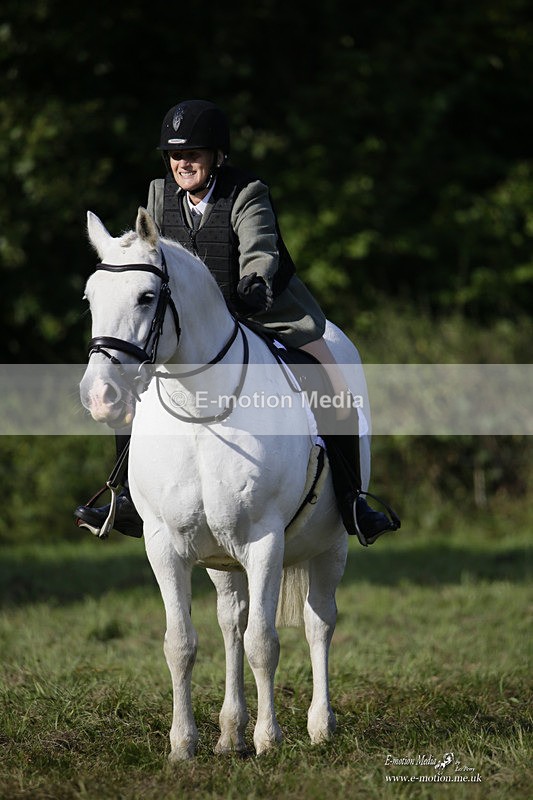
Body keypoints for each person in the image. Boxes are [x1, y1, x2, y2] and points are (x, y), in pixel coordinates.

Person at [75, 100, 400, 546]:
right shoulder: (156, 196)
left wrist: (255, 281)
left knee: (334, 390)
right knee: (125, 379)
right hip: (191, 325)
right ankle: (126, 497)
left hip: (267, 311)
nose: (182, 163)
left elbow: (260, 247)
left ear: (216, 156)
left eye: (194, 154)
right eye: (175, 155)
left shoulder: (246, 193)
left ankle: (353, 502)